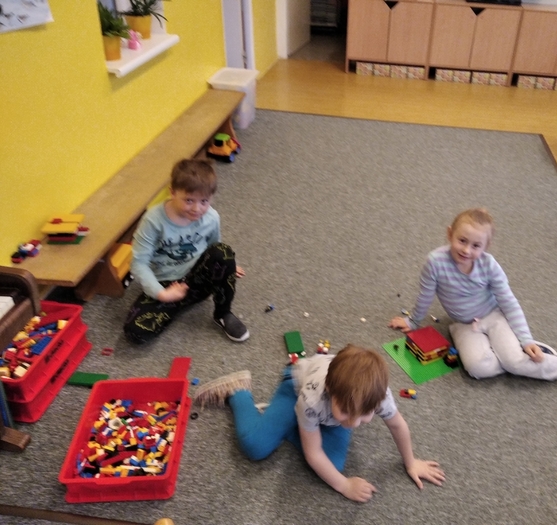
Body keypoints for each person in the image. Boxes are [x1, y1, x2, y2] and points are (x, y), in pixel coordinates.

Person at [389, 208, 557, 399]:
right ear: (449, 233)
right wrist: (413, 321)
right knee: (477, 368)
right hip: (463, 324)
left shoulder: (490, 266)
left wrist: (526, 339)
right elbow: (426, 294)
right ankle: (518, 354)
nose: (467, 250)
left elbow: (509, 303)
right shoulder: (434, 262)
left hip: (494, 316)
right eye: (462, 241)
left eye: (476, 245)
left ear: (486, 246)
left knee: (514, 362)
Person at [193, 345, 445, 502]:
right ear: (330, 393)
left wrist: (411, 462)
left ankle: (297, 427)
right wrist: (344, 485)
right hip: (294, 388)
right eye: (346, 412)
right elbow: (313, 453)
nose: (353, 424)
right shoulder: (312, 399)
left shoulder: (378, 396)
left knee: (332, 465)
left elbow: (398, 425)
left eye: (363, 415)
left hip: (323, 412)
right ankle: (238, 391)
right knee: (254, 445)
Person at [123, 159, 249, 344]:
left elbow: (215, 245)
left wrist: (227, 265)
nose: (197, 209)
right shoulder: (153, 221)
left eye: (204, 201)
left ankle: (222, 314)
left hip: (197, 279)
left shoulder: (211, 217)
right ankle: (175, 303)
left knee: (223, 253)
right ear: (172, 192)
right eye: (189, 200)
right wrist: (162, 294)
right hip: (165, 283)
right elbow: (138, 263)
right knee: (135, 332)